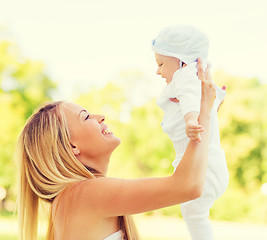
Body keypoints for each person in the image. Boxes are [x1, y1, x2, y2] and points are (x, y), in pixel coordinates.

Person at [17, 60, 216, 240]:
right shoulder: (84, 193)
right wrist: (204, 111)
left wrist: (200, 118)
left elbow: (189, 181)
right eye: (86, 117)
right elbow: (187, 185)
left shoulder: (72, 198)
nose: (100, 116)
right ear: (72, 146)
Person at [152, 25, 229, 240]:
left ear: (182, 61)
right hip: (210, 165)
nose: (157, 71)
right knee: (193, 212)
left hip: (203, 167)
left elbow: (188, 98)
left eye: (160, 64)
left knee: (193, 213)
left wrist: (191, 119)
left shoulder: (185, 76)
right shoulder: (195, 78)